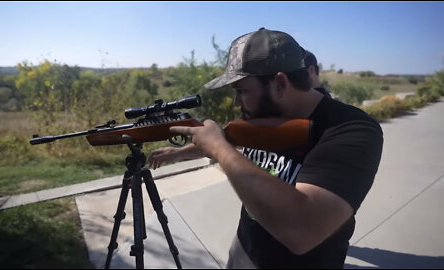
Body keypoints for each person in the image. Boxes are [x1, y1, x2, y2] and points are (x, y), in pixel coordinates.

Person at [148, 27, 383, 268]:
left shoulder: (352, 130)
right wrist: (178, 153)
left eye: (242, 90)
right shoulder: (264, 116)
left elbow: (302, 230)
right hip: (244, 248)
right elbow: (228, 138)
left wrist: (219, 149)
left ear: (280, 83)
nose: (237, 102)